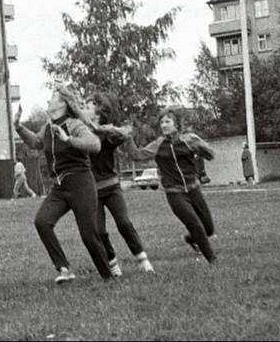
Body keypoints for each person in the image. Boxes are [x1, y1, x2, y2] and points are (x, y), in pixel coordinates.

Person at [14, 84, 112, 283]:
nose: (48, 101)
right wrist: (18, 126)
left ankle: (108, 277)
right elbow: (35, 143)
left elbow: (95, 144)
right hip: (59, 186)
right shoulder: (48, 127)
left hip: (80, 183)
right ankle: (64, 269)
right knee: (42, 222)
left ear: (62, 104)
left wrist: (68, 140)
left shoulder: (74, 125)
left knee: (88, 235)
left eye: (52, 97)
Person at [128, 108, 217, 263]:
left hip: (193, 189)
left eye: (167, 121)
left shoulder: (188, 139)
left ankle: (192, 239)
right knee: (195, 225)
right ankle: (213, 260)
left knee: (208, 228)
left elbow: (210, 154)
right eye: (162, 122)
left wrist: (200, 146)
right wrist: (128, 138)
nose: (163, 125)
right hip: (174, 193)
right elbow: (137, 155)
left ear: (177, 124)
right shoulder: (158, 144)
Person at [85, 91, 154, 276]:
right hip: (92, 192)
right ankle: (113, 266)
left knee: (124, 223)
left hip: (112, 187)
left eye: (89, 105)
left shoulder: (108, 132)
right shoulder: (81, 133)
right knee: (99, 232)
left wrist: (103, 129)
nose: (84, 108)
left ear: (98, 113)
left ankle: (143, 261)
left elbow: (126, 132)